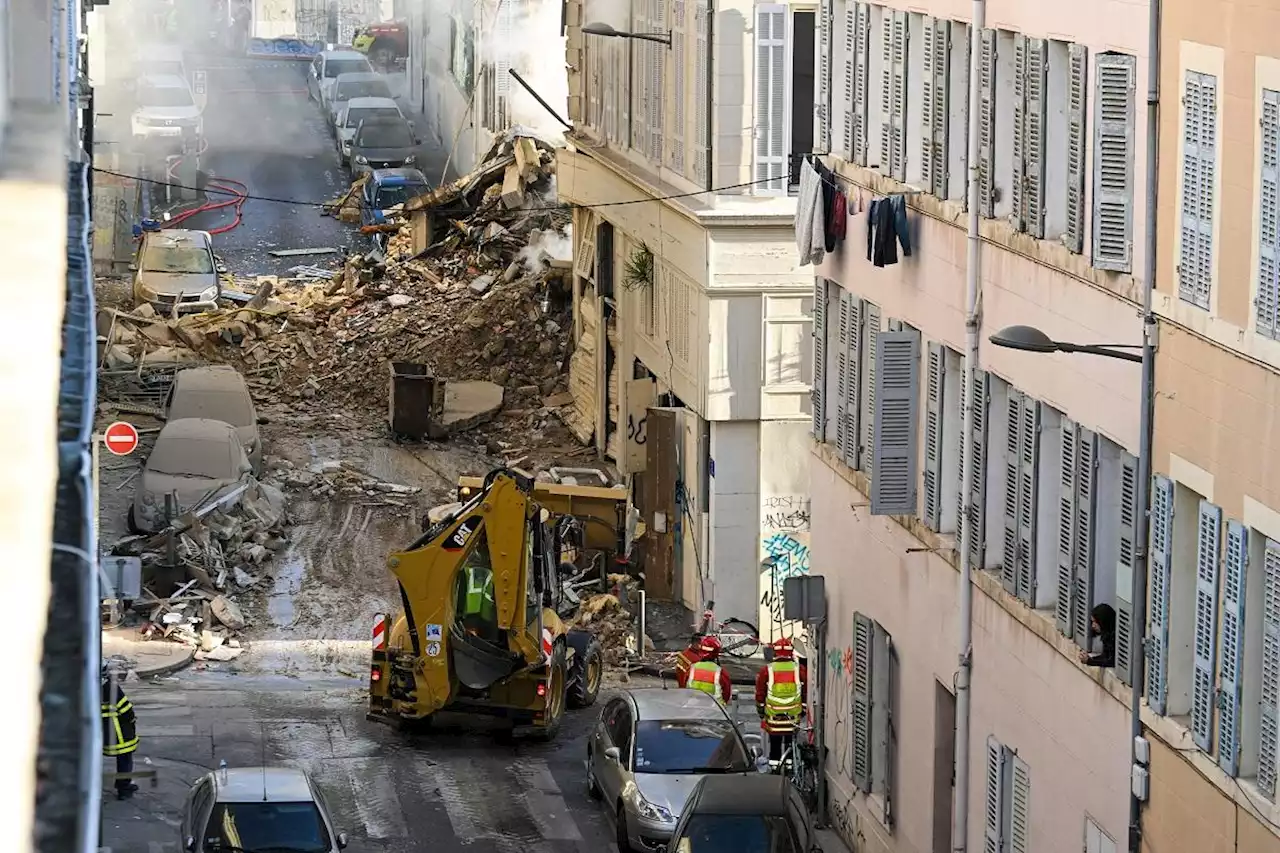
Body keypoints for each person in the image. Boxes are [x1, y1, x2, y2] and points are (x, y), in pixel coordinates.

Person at [756, 637, 809, 764]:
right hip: (793, 718)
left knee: (774, 746)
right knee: (790, 746)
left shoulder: (767, 670)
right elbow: (805, 692)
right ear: (791, 652)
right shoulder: (799, 669)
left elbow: (760, 693)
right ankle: (789, 768)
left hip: (774, 718)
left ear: (775, 652)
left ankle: (775, 769)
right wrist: (803, 710)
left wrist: (761, 711)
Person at [101, 664, 140, 800]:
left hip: (100, 733)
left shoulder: (86, 687)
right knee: (124, 759)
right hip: (119, 733)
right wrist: (132, 719)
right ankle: (124, 788)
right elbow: (125, 710)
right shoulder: (110, 688)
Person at [680, 636, 732, 705]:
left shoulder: (691, 669)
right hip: (714, 710)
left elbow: (683, 686)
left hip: (693, 709)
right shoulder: (721, 672)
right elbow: (726, 695)